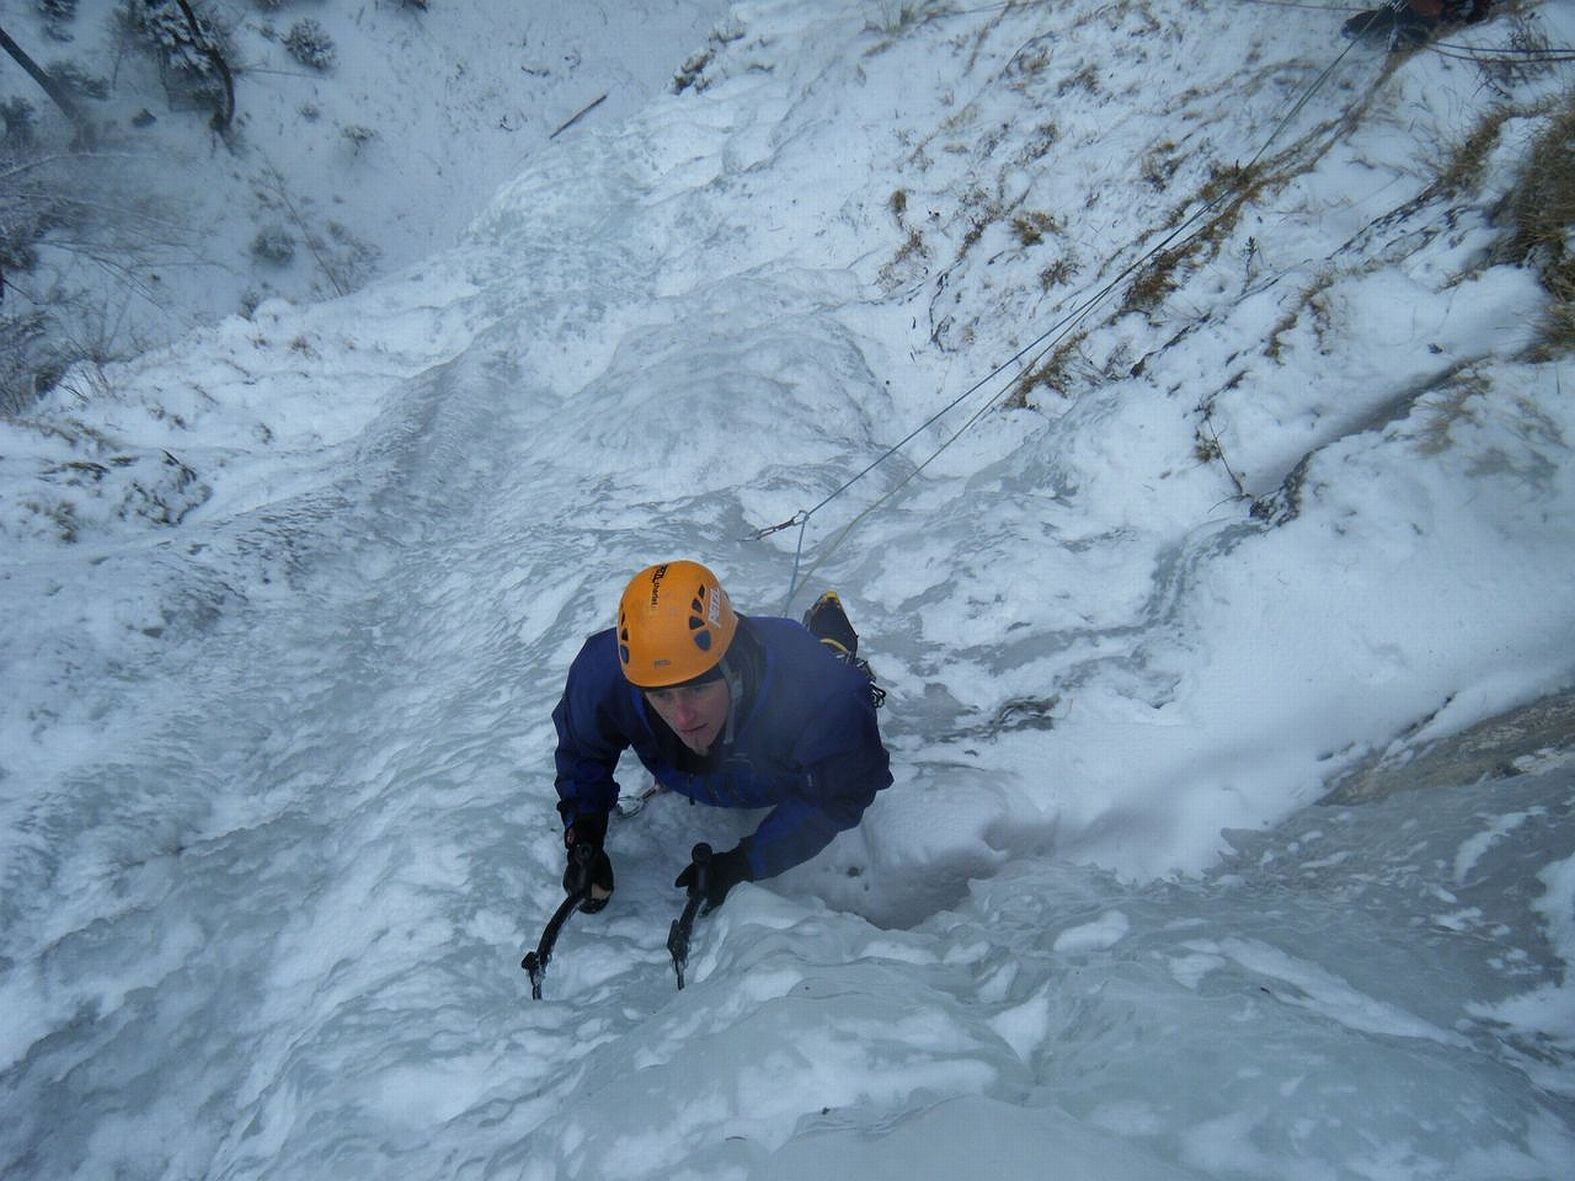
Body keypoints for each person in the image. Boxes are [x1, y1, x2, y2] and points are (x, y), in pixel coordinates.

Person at [551, 560, 892, 915]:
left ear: (733, 671)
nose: (682, 718)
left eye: (698, 689)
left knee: (832, 666)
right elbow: (582, 752)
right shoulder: (604, 677)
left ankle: (830, 643)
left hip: (775, 769)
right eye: (662, 696)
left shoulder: (823, 697)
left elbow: (838, 794)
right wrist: (584, 833)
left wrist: (747, 862)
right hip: (705, 772)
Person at [1341, 0, 1493, 47]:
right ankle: (1354, 27)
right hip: (1414, 8)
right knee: (1390, 16)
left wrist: (1476, 14)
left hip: (1445, 11)